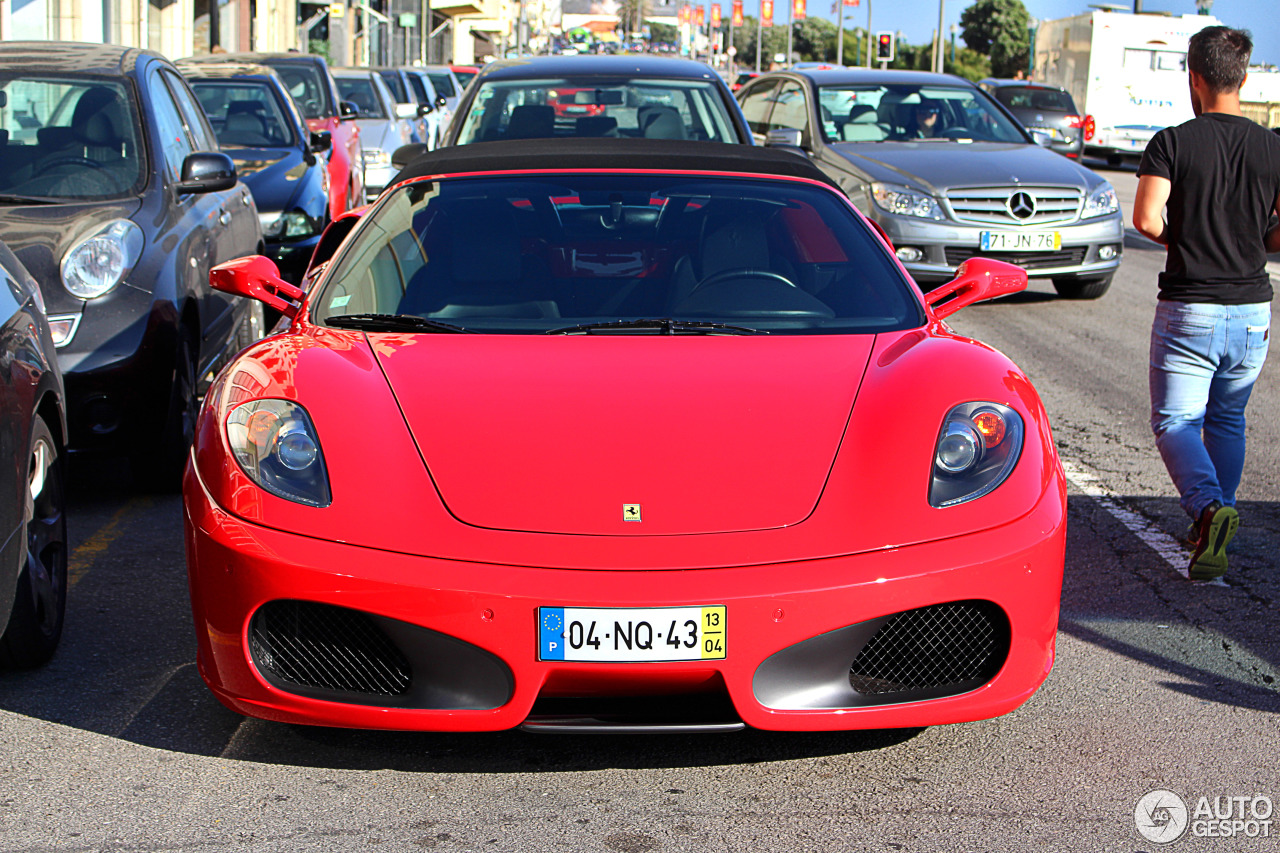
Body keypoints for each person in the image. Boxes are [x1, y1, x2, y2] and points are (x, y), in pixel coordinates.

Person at [1133, 26, 1280, 580]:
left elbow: (1146, 219)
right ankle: (1214, 525)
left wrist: (1186, 237)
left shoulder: (1172, 142)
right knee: (1228, 418)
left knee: (1175, 422)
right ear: (1243, 77)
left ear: (1194, 76)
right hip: (1251, 313)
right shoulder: (1273, 147)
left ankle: (1209, 509)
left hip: (1190, 307)